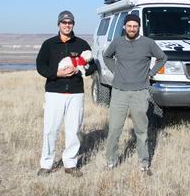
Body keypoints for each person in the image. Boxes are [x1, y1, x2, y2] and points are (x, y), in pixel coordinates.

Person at [103, 14, 167, 175]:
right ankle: (111, 161)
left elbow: (162, 58)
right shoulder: (117, 42)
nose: (132, 29)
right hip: (119, 92)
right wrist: (115, 70)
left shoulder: (148, 43)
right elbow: (106, 56)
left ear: (139, 27)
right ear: (124, 27)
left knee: (141, 130)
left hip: (140, 92)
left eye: (135, 26)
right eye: (129, 26)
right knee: (114, 129)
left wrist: (151, 73)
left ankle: (144, 163)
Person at [36, 11, 94, 177]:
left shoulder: (82, 44)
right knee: (50, 129)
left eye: (70, 23)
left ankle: (70, 163)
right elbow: (40, 66)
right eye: (64, 22)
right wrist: (57, 74)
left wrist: (79, 69)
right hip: (54, 92)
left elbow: (92, 65)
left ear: (73, 25)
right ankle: (46, 164)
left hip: (76, 93)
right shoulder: (49, 44)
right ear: (58, 24)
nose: (67, 25)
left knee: (74, 129)